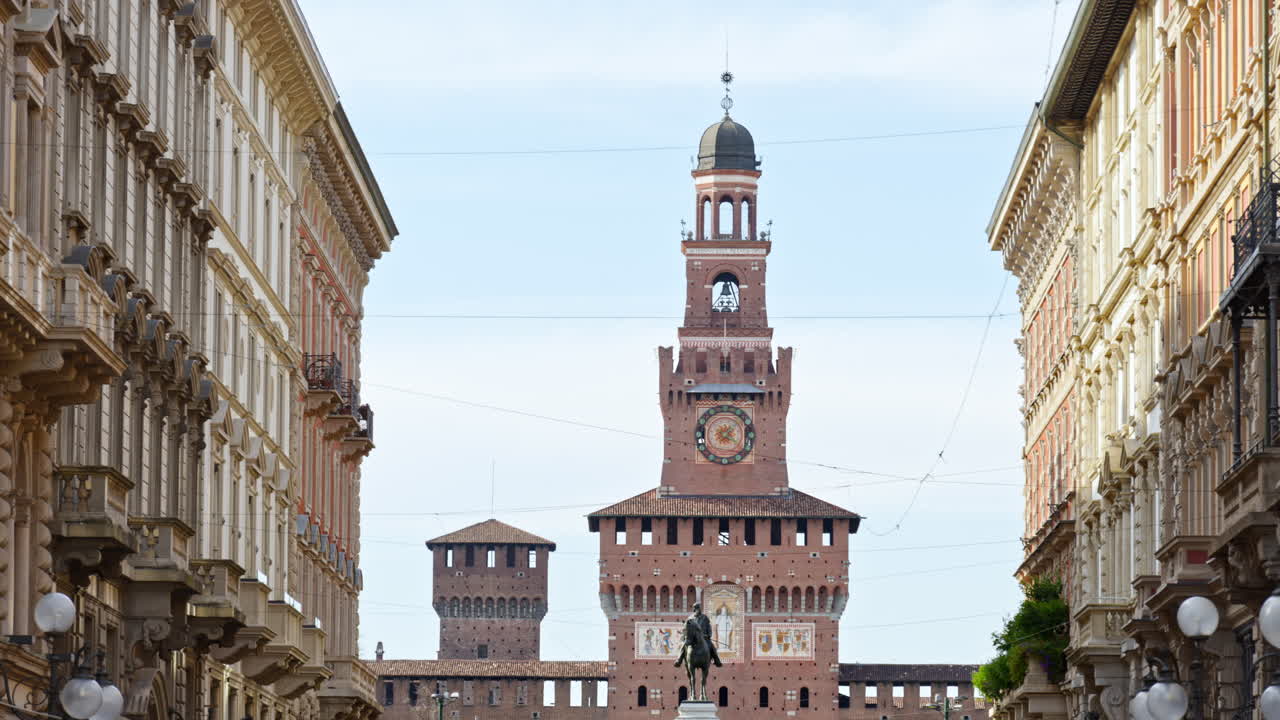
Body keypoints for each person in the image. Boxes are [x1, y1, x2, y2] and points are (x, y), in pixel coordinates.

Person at [673, 603, 723, 668]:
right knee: (684, 645)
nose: (699, 610)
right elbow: (686, 628)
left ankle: (717, 660)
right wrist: (684, 634)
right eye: (697, 608)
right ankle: (679, 660)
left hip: (704, 638)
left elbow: (709, 627)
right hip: (692, 639)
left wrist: (708, 635)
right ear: (694, 609)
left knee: (712, 646)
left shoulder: (705, 618)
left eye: (699, 608)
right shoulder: (690, 618)